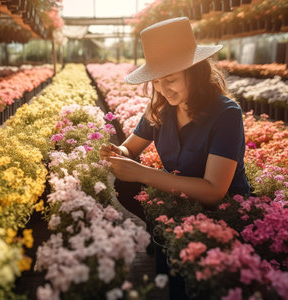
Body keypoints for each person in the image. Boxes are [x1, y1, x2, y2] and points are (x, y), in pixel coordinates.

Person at [99, 17, 250, 219]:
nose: (163, 90)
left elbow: (214, 191)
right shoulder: (160, 108)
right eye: (157, 82)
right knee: (125, 186)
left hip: (223, 213)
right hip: (179, 199)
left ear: (196, 73)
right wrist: (118, 152)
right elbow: (130, 148)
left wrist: (141, 172)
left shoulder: (225, 114)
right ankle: (161, 232)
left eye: (171, 80)